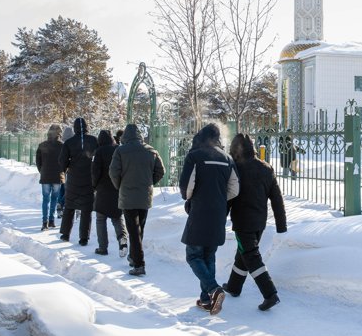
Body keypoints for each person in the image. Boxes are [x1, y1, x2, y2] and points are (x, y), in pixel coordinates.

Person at [179, 123, 239, 315]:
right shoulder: (227, 159)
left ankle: (213, 289)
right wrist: (220, 200)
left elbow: (187, 187)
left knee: (193, 254)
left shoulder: (195, 156)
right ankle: (207, 299)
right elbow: (234, 189)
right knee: (209, 254)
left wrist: (190, 198)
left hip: (199, 211)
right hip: (219, 212)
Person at [223, 133, 286, 311]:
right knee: (243, 254)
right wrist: (281, 224)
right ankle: (234, 287)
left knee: (251, 256)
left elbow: (230, 197)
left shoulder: (236, 169)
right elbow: (276, 198)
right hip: (260, 222)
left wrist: (221, 218)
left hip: (243, 223)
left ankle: (270, 294)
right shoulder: (266, 168)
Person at [110, 123, 165, 276]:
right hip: (144, 196)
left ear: (124, 136)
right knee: (139, 228)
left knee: (133, 230)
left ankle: (139, 264)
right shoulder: (151, 151)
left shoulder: (120, 151)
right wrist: (149, 182)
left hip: (128, 196)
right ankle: (134, 257)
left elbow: (113, 172)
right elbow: (161, 170)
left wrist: (120, 185)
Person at [58, 118, 98, 245]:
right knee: (86, 209)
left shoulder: (69, 142)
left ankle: (65, 234)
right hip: (88, 178)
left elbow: (62, 161)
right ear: (87, 126)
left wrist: (67, 167)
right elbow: (98, 157)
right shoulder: (93, 140)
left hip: (74, 178)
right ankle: (84, 238)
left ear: (74, 128)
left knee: (69, 206)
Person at [91, 130, 128, 257]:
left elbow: (95, 171)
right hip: (117, 188)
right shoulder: (119, 149)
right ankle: (122, 239)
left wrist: (94, 185)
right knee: (117, 217)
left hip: (102, 189)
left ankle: (102, 247)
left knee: (100, 219)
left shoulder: (99, 152)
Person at [35, 124, 64, 230]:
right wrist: (63, 172)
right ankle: (51, 220)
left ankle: (44, 222)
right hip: (58, 176)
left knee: (45, 199)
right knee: (54, 198)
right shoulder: (62, 146)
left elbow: (38, 161)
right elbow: (65, 161)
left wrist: (42, 171)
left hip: (45, 175)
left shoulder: (42, 145)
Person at [56, 125, 75, 218]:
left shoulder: (61, 145)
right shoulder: (71, 145)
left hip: (60, 170)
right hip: (68, 170)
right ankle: (62, 203)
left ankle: (59, 204)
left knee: (62, 188)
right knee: (67, 189)